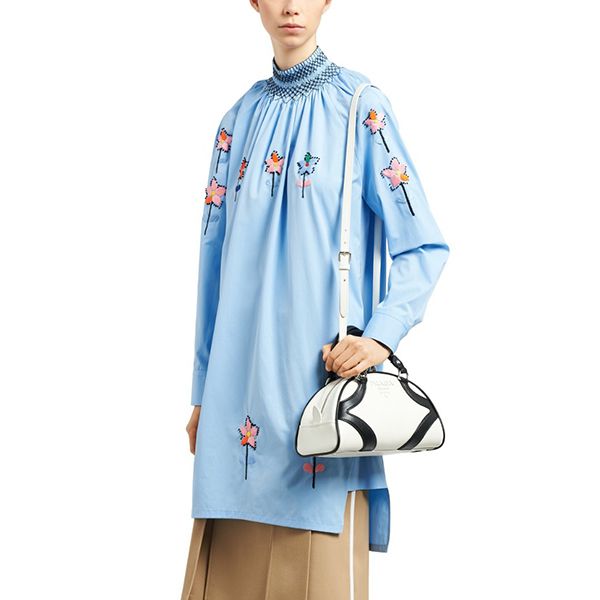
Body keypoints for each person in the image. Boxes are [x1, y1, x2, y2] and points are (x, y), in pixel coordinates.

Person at [180, 1, 450, 598]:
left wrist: (379, 338)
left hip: (321, 405)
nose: (291, 6)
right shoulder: (235, 123)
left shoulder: (360, 109)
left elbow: (423, 245)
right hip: (235, 413)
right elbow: (212, 268)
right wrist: (202, 392)